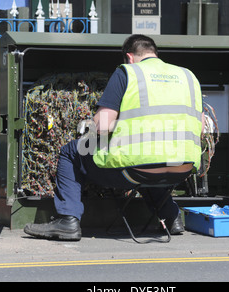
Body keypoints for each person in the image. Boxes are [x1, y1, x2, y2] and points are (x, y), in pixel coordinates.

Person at [24, 34, 205, 241]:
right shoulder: (187, 76)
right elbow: (200, 129)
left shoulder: (128, 72)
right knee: (155, 156)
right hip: (182, 169)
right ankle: (171, 217)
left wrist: (87, 131)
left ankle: (68, 220)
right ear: (154, 53)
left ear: (129, 57)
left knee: (71, 152)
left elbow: (103, 125)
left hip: (135, 170)